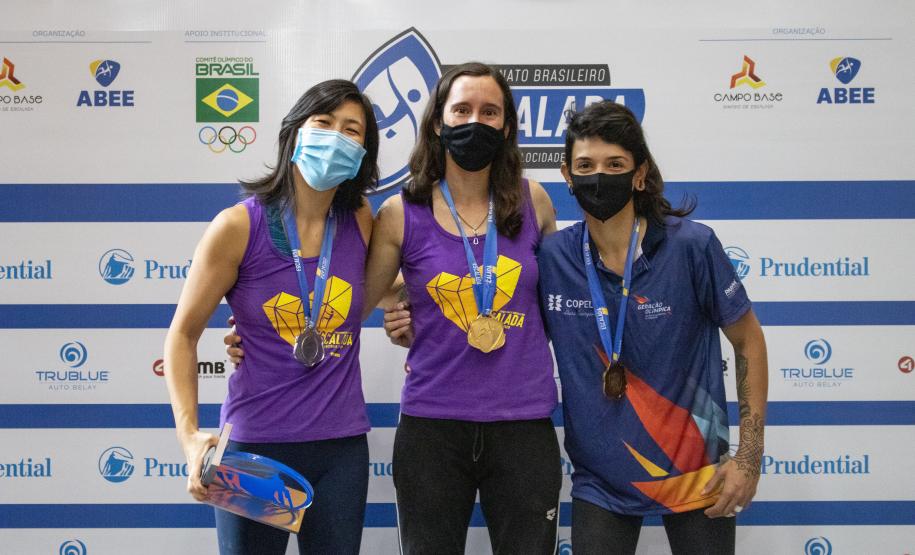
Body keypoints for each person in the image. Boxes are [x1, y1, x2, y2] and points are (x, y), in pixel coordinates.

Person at [384, 100, 768, 554]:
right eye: (586, 165)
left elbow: (749, 343)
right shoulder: (555, 257)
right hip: (600, 485)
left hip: (697, 474)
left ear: (639, 174)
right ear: (567, 175)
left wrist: (748, 457)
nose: (599, 177)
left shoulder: (692, 246)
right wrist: (407, 311)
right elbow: (476, 293)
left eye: (615, 165)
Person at [164, 79, 379, 555]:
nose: (337, 137)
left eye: (352, 130)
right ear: (294, 133)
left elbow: (378, 291)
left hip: (340, 449)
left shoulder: (362, 219)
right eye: (323, 123)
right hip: (255, 450)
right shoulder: (239, 225)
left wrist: (408, 311)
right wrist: (189, 438)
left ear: (365, 150)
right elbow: (182, 335)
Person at [363, 61, 563, 554]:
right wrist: (401, 303)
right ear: (437, 121)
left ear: (507, 126)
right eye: (462, 109)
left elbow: (561, 298)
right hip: (433, 427)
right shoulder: (399, 211)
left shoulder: (533, 200)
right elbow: (357, 296)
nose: (475, 121)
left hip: (522, 424)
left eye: (490, 111)